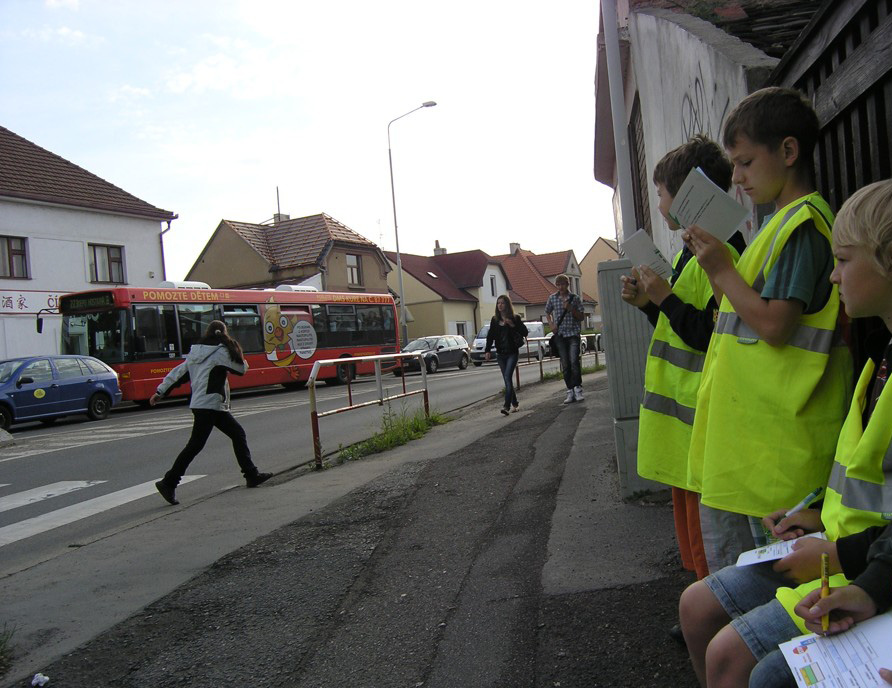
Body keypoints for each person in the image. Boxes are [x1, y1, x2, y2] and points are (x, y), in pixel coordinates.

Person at [679, 179, 892, 688]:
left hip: (858, 561)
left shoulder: (799, 224)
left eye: (842, 260)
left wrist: (848, 559)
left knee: (750, 668)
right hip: (841, 546)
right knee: (696, 607)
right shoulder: (880, 358)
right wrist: (817, 516)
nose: (834, 278)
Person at [683, 87, 852, 571]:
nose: (735, 178)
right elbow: (743, 317)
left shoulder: (800, 225)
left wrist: (722, 269)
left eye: (745, 163)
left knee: (765, 585)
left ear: (788, 151)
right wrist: (717, 267)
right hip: (758, 449)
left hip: (777, 455)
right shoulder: (780, 223)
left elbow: (775, 325)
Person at [621, 135, 746, 583]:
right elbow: (682, 324)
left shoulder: (723, 251)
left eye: (661, 193)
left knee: (708, 534)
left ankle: (711, 608)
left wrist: (664, 298)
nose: (658, 204)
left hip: (702, 421)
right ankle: (703, 601)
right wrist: (650, 304)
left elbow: (710, 334)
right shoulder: (693, 251)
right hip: (684, 424)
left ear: (688, 193)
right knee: (692, 531)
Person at [152, 320, 272, 505]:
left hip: (202, 404)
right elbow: (241, 369)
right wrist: (234, 349)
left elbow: (179, 373)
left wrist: (160, 391)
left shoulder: (195, 352)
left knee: (235, 435)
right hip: (211, 404)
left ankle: (251, 474)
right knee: (197, 444)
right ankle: (169, 482)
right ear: (224, 333)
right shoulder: (221, 352)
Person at [484, 295, 528, 415]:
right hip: (500, 354)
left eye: (502, 303)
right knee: (507, 380)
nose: (500, 305)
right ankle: (515, 403)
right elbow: (490, 336)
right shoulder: (495, 320)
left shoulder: (515, 318)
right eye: (498, 303)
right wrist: (487, 350)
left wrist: (513, 325)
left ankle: (506, 406)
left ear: (507, 305)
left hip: (512, 353)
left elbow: (525, 332)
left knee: (508, 377)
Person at [545, 274, 585, 404]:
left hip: (573, 333)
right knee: (566, 364)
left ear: (567, 285)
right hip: (560, 335)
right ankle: (570, 389)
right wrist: (551, 324)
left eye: (563, 284)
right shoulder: (553, 298)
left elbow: (581, 317)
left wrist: (571, 309)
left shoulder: (575, 298)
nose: (561, 287)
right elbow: (547, 312)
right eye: (558, 284)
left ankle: (578, 388)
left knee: (574, 361)